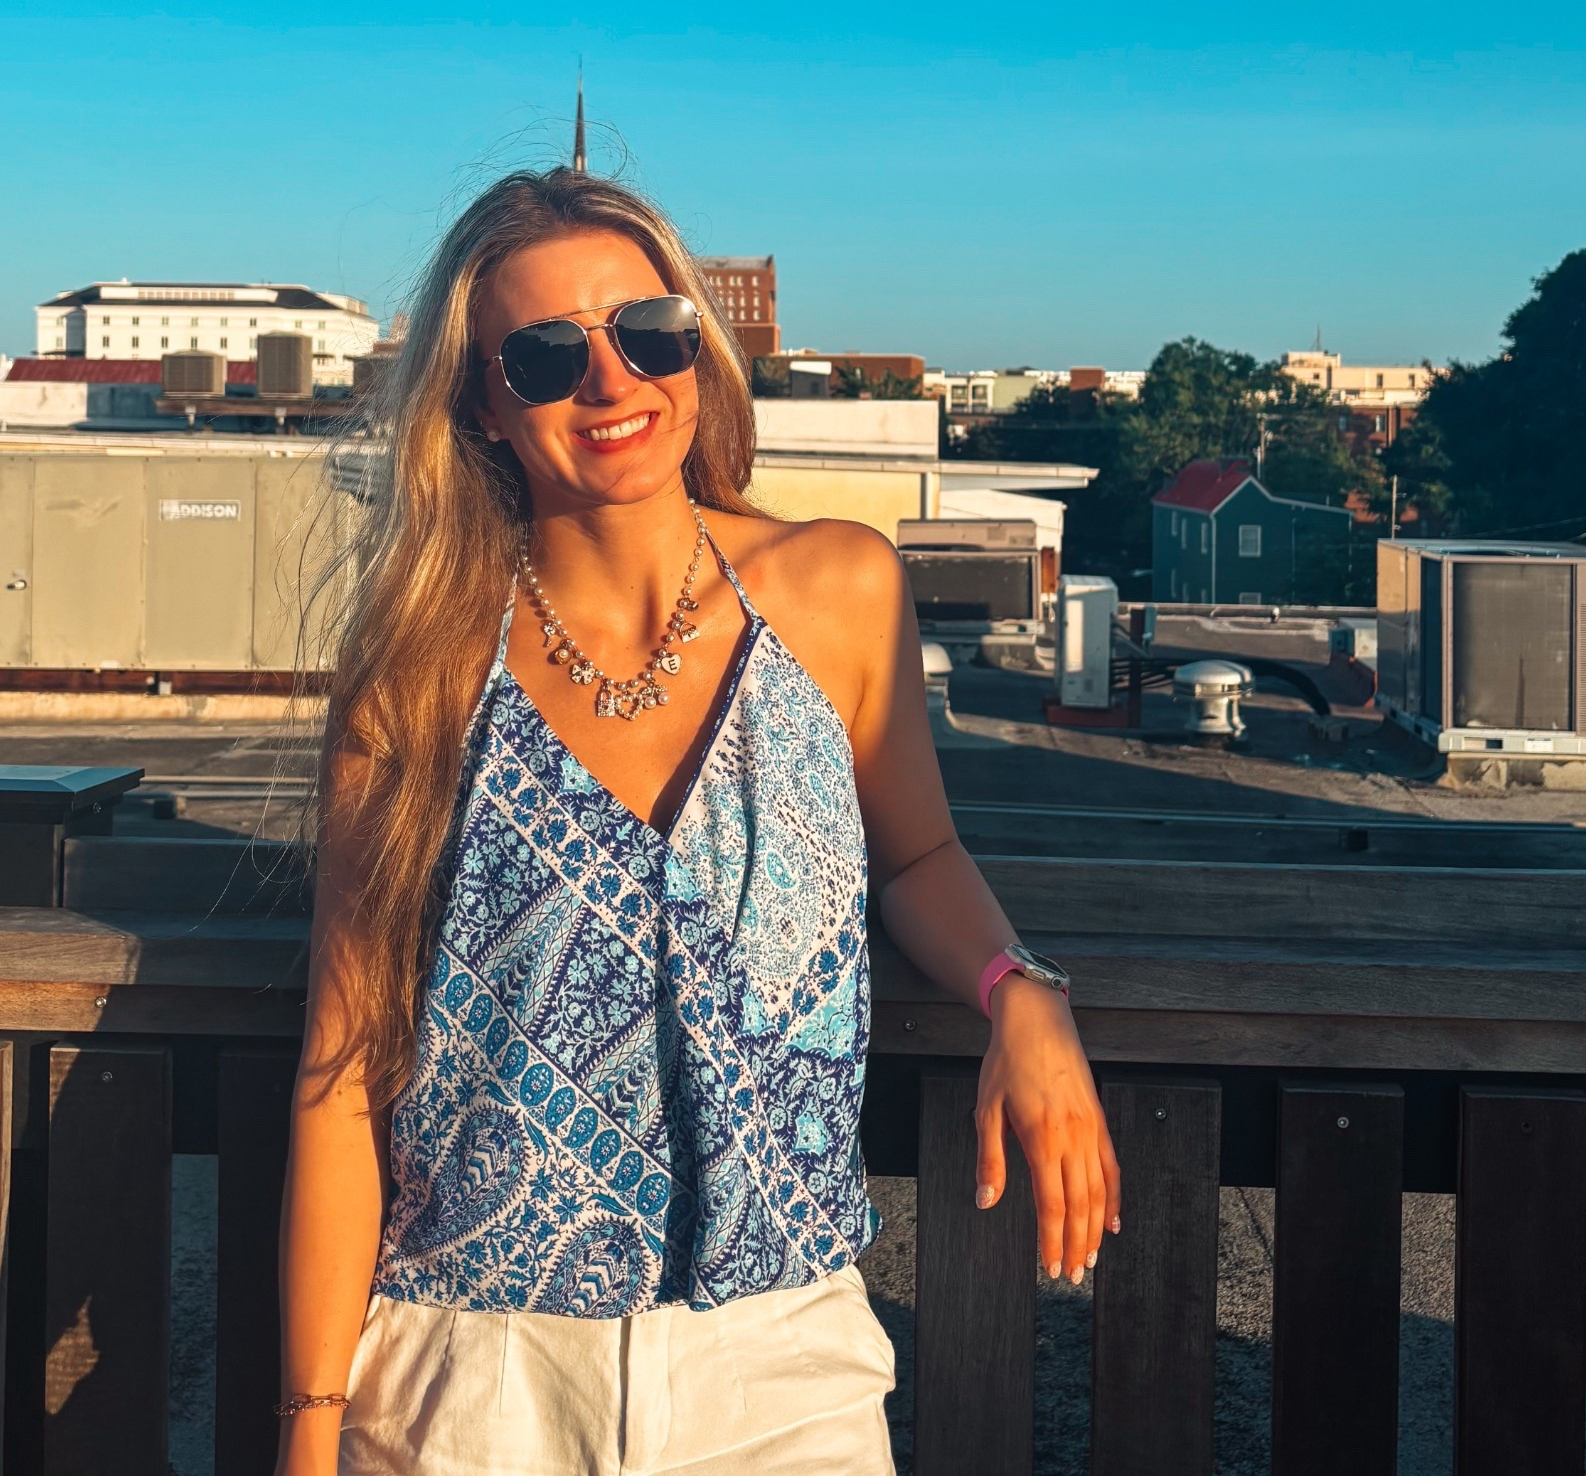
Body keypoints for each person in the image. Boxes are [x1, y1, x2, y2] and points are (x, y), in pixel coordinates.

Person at [276, 167, 1119, 1476]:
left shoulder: (836, 586)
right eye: (548, 355)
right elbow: (341, 1077)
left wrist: (1019, 991)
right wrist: (310, 1430)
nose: (611, 384)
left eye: (647, 331)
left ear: (697, 352)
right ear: (483, 405)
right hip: (470, 1371)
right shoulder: (420, 668)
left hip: (779, 1359)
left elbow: (915, 855)